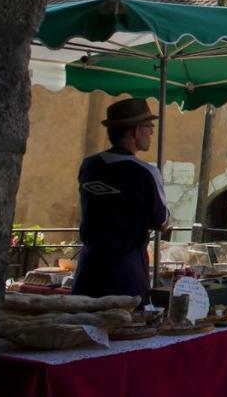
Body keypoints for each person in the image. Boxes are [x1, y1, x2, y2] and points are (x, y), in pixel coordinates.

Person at [73, 99, 169, 303]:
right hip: (126, 271)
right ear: (136, 130)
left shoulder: (89, 166)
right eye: (149, 127)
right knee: (128, 329)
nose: (151, 133)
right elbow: (161, 221)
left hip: (89, 268)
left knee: (83, 327)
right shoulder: (145, 172)